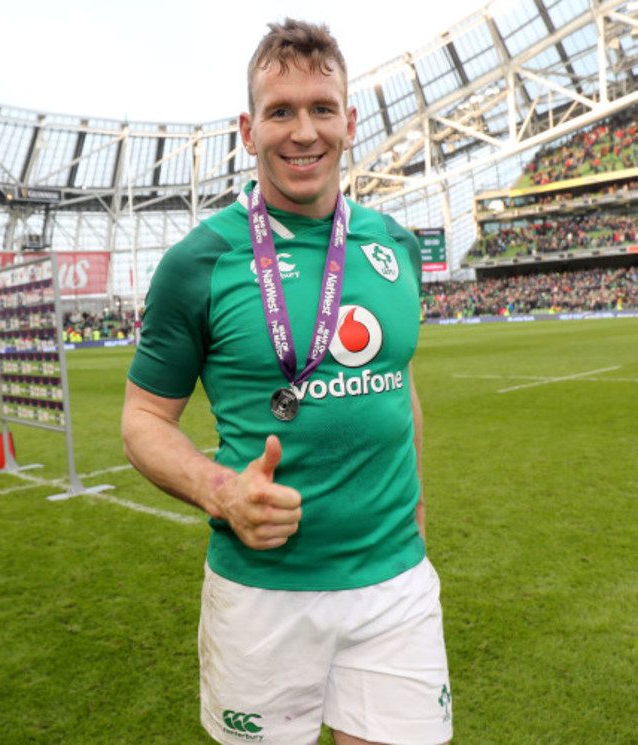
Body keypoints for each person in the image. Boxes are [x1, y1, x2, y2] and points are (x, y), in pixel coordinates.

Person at [121, 18, 452, 745]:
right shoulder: (197, 262)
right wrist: (221, 491)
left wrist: (418, 519)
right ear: (248, 128)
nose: (303, 132)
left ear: (350, 121)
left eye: (321, 108)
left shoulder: (392, 242)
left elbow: (400, 385)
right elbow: (143, 416)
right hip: (264, 592)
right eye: (280, 111)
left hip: (394, 582)